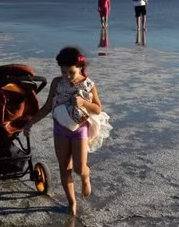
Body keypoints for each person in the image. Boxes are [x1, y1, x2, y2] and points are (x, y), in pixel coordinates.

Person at [23, 47, 112, 216]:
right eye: (64, 72)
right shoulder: (57, 83)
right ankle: (72, 202)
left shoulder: (88, 84)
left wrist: (83, 103)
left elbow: (98, 109)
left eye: (71, 72)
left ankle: (85, 176)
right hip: (60, 130)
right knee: (64, 168)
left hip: (79, 130)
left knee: (79, 168)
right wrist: (30, 123)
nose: (67, 76)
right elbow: (48, 107)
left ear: (80, 67)